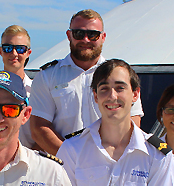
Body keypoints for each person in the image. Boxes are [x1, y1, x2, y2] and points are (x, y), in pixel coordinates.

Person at [30, 9, 144, 155]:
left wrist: (107, 158)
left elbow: (133, 121)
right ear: (69, 35)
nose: (85, 40)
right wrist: (72, 159)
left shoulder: (123, 76)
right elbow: (39, 128)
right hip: (62, 166)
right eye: (78, 33)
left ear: (103, 37)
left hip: (109, 164)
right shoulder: (47, 76)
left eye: (93, 35)